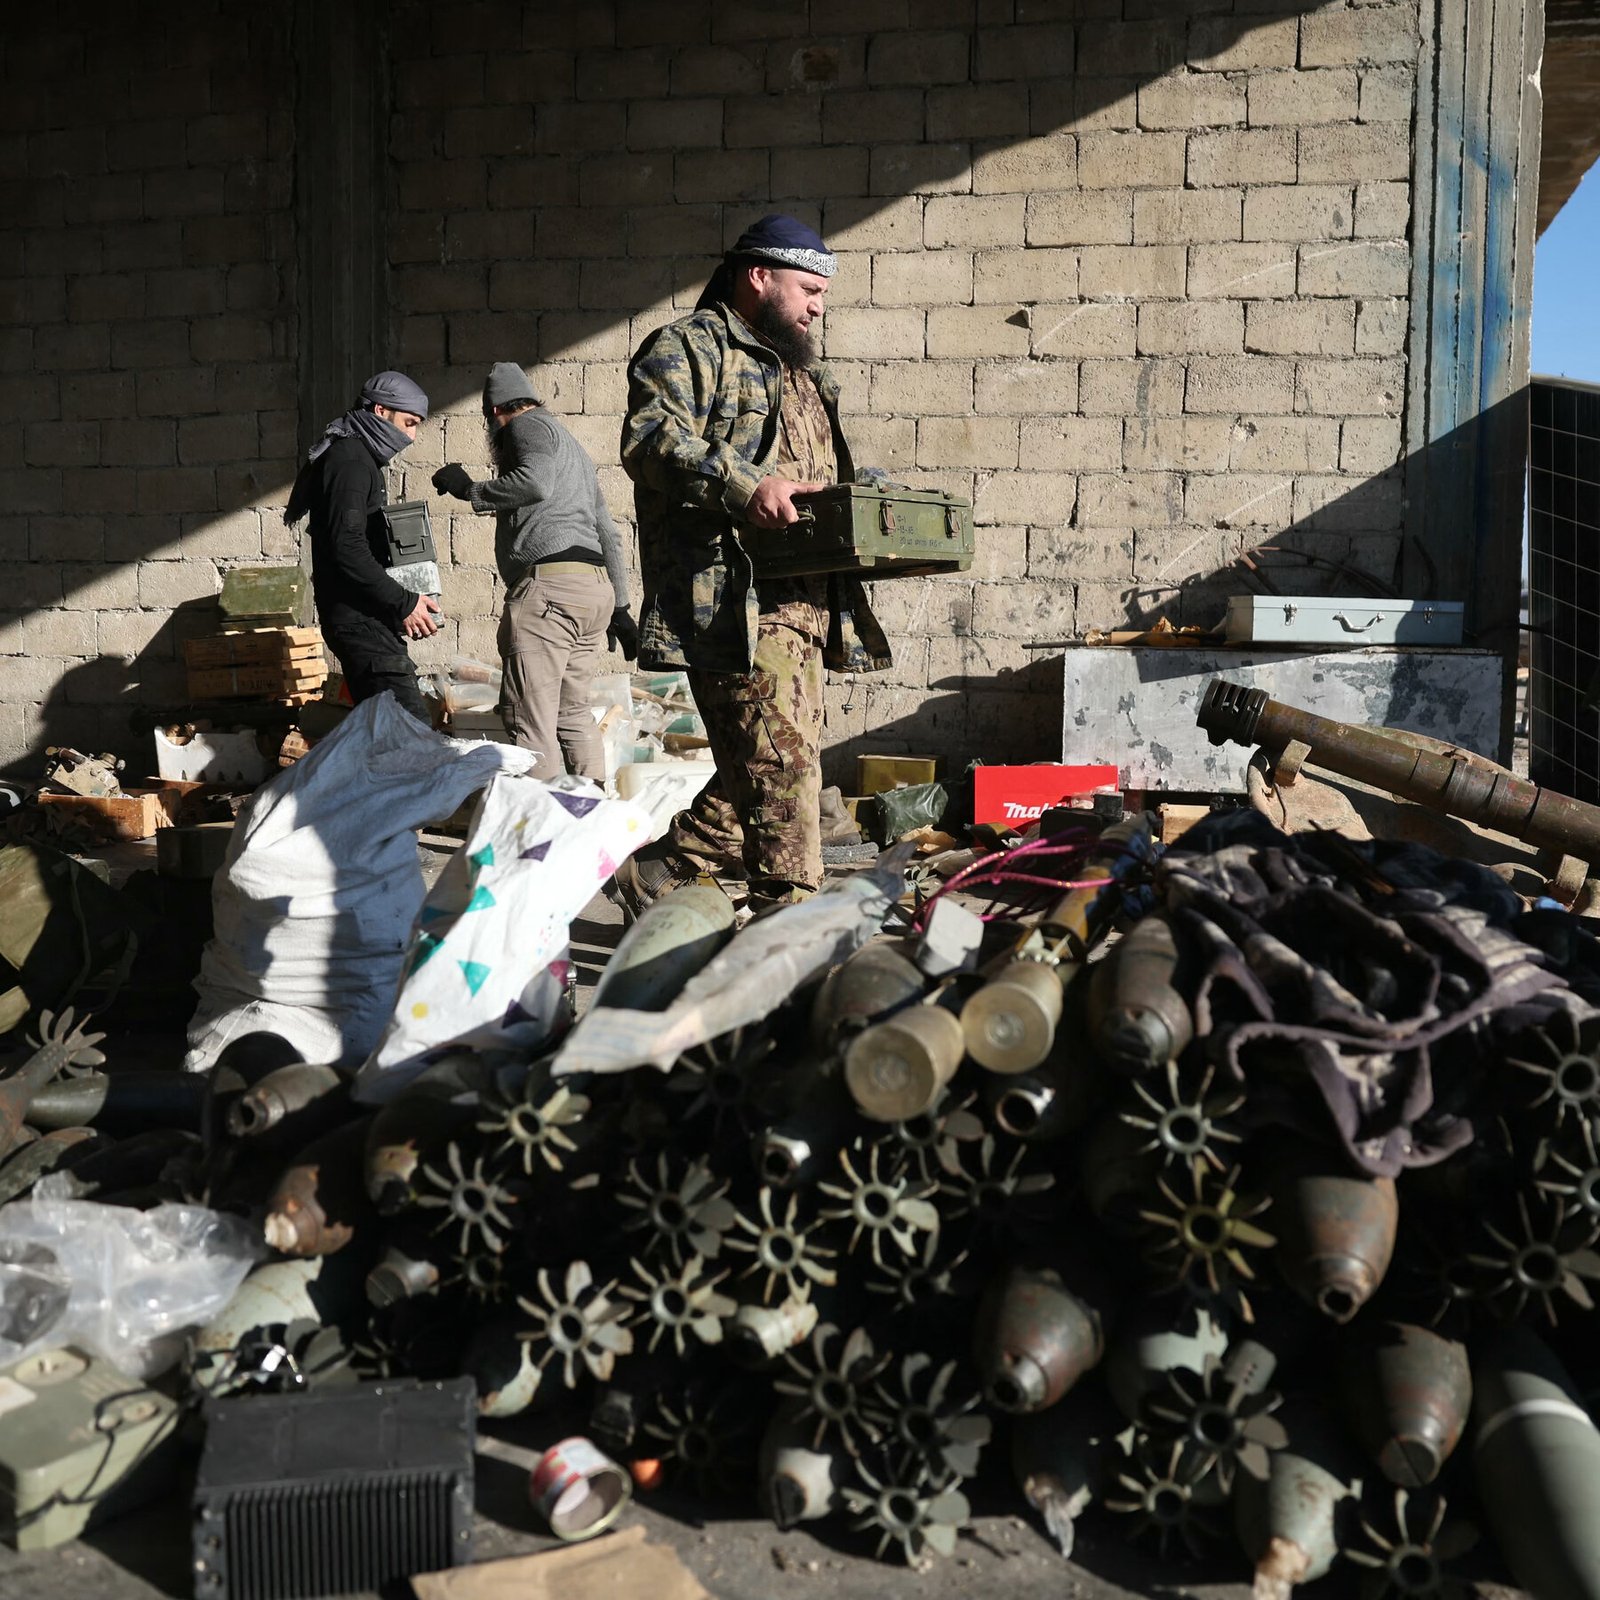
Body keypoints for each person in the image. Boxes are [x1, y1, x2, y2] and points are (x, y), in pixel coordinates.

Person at [614, 214, 891, 918]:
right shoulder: (688, 347)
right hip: (732, 603)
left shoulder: (805, 370)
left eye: (823, 294)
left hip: (806, 603)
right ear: (758, 276)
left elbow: (810, 475)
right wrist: (745, 484)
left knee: (775, 760)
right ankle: (786, 929)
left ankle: (668, 866)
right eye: (808, 290)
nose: (818, 306)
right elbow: (650, 439)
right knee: (781, 768)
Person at [432, 362, 638, 781]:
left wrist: (470, 490)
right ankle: (590, 810)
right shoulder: (573, 450)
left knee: (530, 720)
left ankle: (544, 818)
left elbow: (535, 483)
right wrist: (620, 607)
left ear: (495, 412)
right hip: (592, 591)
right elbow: (608, 532)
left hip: (550, 593)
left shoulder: (525, 426)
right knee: (572, 715)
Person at [285, 369, 438, 721]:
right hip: (359, 621)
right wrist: (404, 602)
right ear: (381, 411)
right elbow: (347, 548)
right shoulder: (351, 461)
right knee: (409, 733)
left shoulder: (357, 457)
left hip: (367, 618)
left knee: (388, 733)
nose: (411, 436)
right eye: (409, 423)